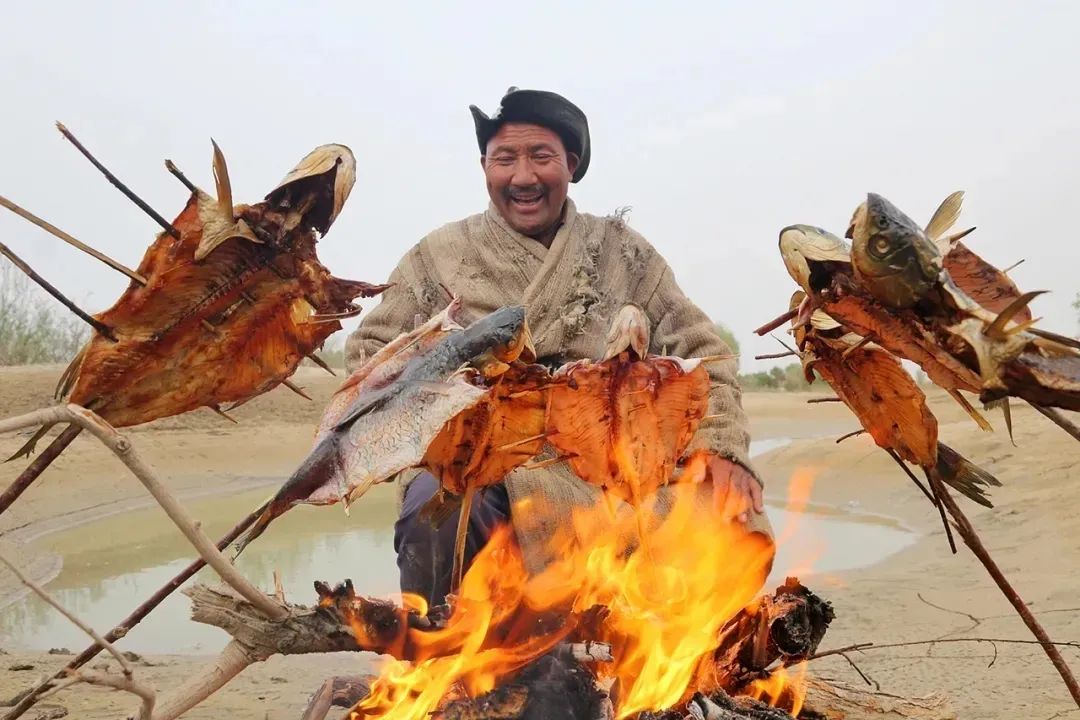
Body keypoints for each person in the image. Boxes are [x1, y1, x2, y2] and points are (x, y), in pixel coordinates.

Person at [345, 87, 772, 607]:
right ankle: (444, 648)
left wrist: (723, 449)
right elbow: (370, 353)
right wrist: (450, 410)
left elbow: (706, 354)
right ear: (484, 167)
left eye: (540, 156)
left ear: (570, 164)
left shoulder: (623, 253)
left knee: (724, 505)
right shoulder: (438, 256)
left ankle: (666, 645)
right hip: (487, 458)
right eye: (505, 158)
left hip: (614, 462)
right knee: (438, 510)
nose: (523, 177)